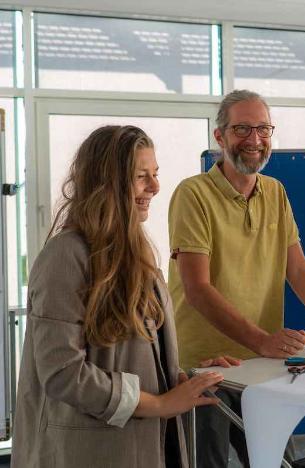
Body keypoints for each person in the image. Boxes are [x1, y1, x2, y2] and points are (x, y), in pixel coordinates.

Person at [168, 89, 305, 468]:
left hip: (261, 367)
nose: (254, 140)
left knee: (275, 461)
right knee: (204, 462)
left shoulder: (275, 192)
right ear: (219, 136)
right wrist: (262, 340)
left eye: (263, 129)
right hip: (203, 366)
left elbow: (296, 268)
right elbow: (197, 289)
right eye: (242, 129)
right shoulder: (192, 194)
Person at [12, 125, 238, 468]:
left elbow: (135, 355)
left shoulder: (138, 255)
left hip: (143, 444)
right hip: (86, 451)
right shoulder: (65, 256)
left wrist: (186, 381)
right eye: (141, 176)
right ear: (106, 183)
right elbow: (62, 373)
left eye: (155, 174)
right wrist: (161, 405)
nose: (155, 187)